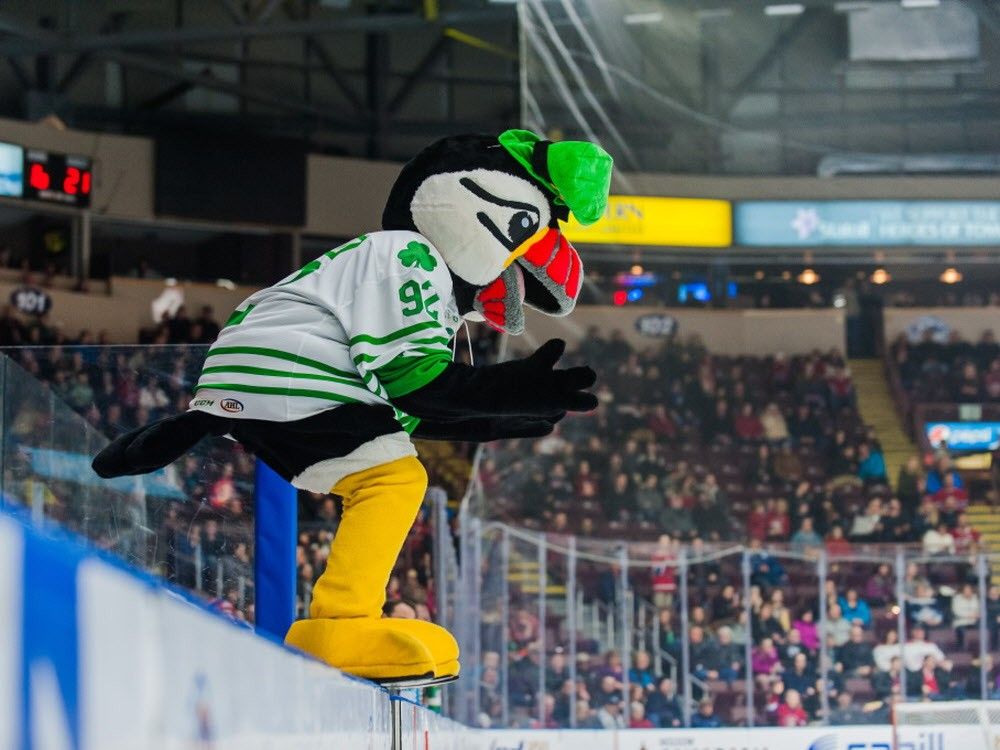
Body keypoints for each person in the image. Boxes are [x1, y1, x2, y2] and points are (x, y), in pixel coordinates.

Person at [952, 583, 981, 648]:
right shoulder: (957, 599)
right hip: (961, 622)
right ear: (962, 591)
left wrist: (977, 614)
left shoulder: (976, 598)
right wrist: (969, 615)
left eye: (969, 590)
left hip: (974, 621)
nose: (967, 592)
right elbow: (957, 612)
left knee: (984, 628)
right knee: (961, 631)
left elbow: (979, 609)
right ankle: (962, 648)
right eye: (966, 591)